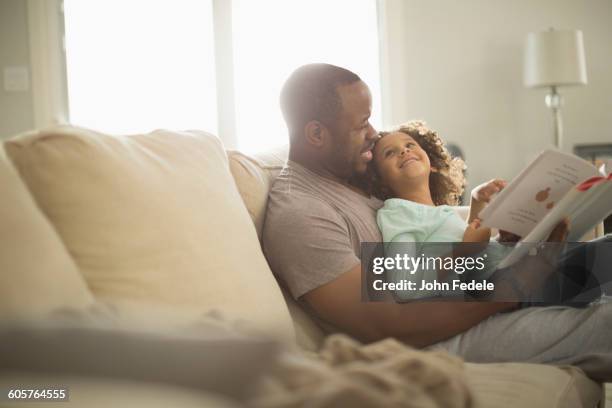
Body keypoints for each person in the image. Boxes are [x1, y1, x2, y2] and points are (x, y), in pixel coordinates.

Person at [262, 63, 612, 381]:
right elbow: (386, 325)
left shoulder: (351, 177)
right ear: (316, 134)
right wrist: (512, 287)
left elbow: (432, 239)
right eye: (361, 124)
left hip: (475, 292)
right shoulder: (300, 212)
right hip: (438, 337)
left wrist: (500, 246)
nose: (373, 133)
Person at [370, 121, 605, 304]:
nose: (403, 151)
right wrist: (461, 252)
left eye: (410, 145)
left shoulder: (441, 212)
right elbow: (404, 284)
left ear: (431, 164)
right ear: (380, 182)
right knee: (597, 259)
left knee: (598, 252)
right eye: (389, 153)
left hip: (507, 272)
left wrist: (500, 238)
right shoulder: (397, 214)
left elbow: (473, 251)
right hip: (500, 290)